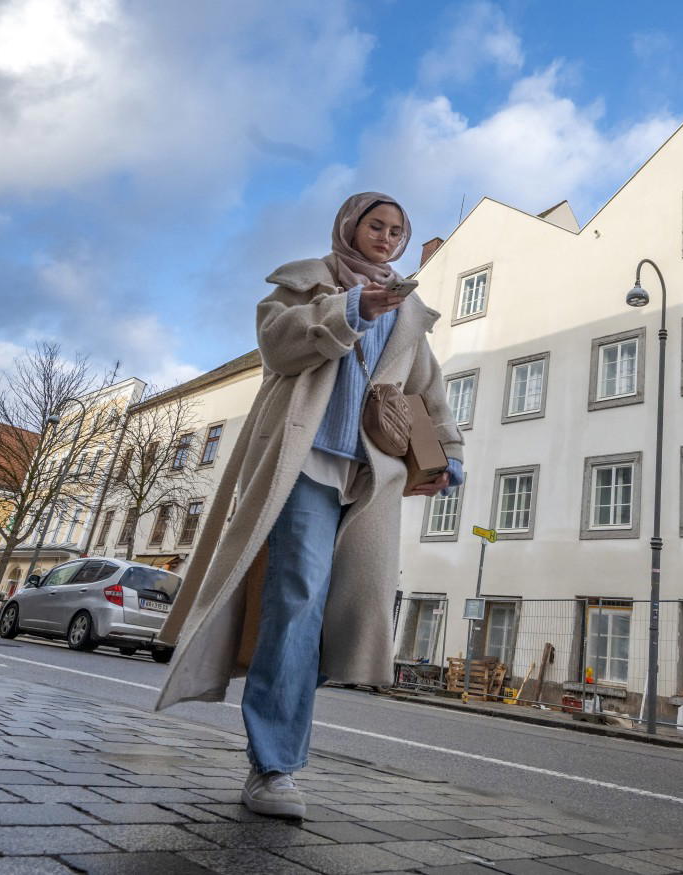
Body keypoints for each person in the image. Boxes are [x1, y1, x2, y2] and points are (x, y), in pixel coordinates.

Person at [152, 192, 464, 820]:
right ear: (349, 226)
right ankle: (274, 767)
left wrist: (447, 456)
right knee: (295, 601)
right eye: (376, 225)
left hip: (369, 480)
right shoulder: (305, 283)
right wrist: (351, 309)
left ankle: (280, 711)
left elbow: (427, 393)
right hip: (302, 465)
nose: (387, 238)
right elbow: (277, 346)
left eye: (398, 231)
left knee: (341, 619)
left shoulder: (408, 311)